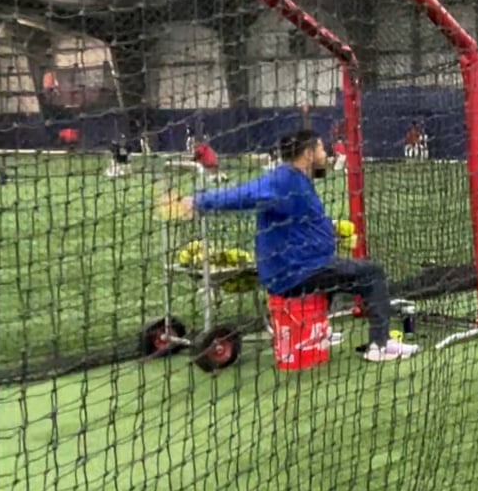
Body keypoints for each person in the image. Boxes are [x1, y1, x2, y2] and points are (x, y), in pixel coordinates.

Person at [169, 129, 417, 362]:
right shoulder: (283, 181)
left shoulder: (297, 180)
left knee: (336, 271)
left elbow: (299, 216)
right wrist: (197, 201)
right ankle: (379, 345)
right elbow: (243, 195)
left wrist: (327, 229)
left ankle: (318, 331)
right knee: (372, 273)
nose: (326, 155)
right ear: (308, 154)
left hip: (300, 266)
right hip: (294, 273)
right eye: (321, 149)